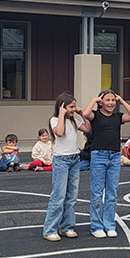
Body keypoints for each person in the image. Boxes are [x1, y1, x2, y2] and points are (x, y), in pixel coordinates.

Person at [81, 90, 130, 238]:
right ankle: (96, 226)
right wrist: (94, 100)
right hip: (98, 155)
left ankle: (109, 224)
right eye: (107, 100)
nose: (111, 103)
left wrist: (122, 100)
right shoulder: (96, 116)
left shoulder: (117, 117)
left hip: (114, 156)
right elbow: (86, 113)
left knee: (112, 193)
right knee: (97, 193)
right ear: (101, 102)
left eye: (113, 100)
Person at [43, 92, 91, 241]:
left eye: (74, 106)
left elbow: (88, 129)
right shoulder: (55, 120)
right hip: (61, 161)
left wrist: (82, 114)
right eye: (71, 107)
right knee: (58, 196)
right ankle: (50, 229)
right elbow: (60, 132)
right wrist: (62, 114)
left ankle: (67, 226)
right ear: (62, 107)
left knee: (71, 196)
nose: (73, 109)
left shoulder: (73, 120)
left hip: (74, 159)